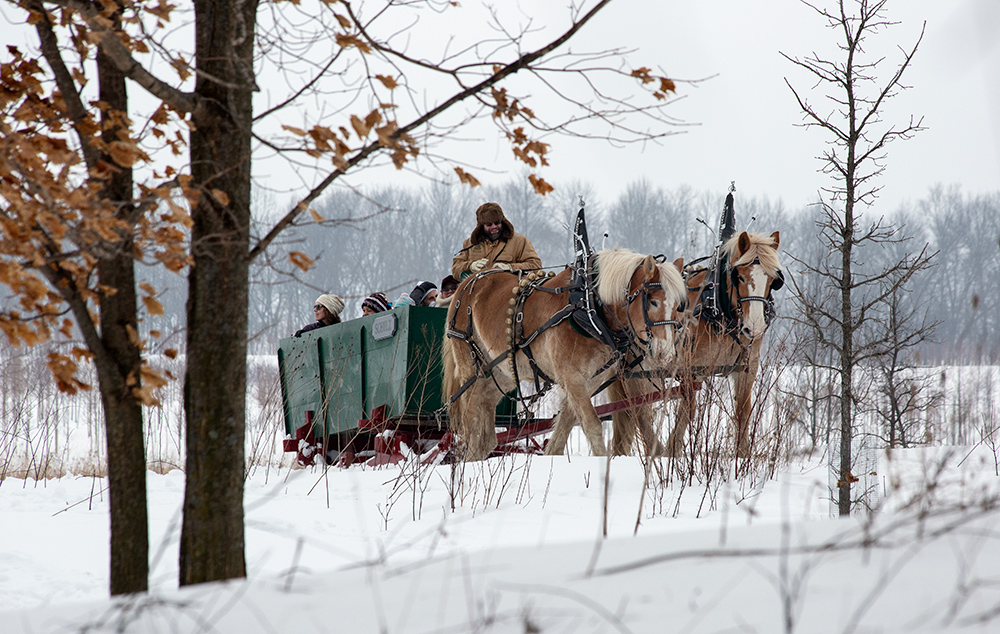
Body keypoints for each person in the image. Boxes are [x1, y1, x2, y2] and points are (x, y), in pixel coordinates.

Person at [451, 202, 542, 280]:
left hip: (509, 294)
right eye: (489, 224)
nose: (494, 227)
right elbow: (455, 268)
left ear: (502, 222)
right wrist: (470, 266)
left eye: (497, 223)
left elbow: (535, 265)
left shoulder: (520, 241)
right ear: (481, 226)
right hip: (476, 294)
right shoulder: (470, 243)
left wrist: (510, 267)